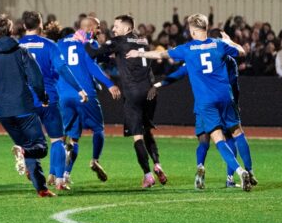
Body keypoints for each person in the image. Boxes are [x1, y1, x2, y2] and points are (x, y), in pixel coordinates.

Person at [132, 13, 256, 191]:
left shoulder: (188, 49)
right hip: (225, 97)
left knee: (217, 139)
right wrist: (230, 41)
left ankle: (238, 171)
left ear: (192, 31)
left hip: (206, 101)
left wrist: (138, 53)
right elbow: (243, 52)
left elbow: (163, 54)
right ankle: (249, 171)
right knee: (236, 132)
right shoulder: (220, 44)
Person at [0, 15, 58, 197]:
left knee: (26, 145)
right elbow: (36, 78)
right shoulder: (21, 52)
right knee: (40, 147)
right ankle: (24, 155)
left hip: (3, 112)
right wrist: (43, 97)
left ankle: (41, 188)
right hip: (23, 108)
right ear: (11, 31)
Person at [157, 28, 251, 189]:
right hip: (224, 102)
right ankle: (235, 176)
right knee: (230, 138)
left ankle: (200, 165)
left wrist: (160, 83)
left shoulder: (195, 56)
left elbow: (180, 72)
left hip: (203, 104)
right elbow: (235, 85)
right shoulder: (229, 61)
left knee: (204, 142)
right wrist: (235, 103)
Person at [85, 14, 168, 189]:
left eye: (116, 26)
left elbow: (92, 52)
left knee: (137, 136)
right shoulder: (143, 41)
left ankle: (147, 175)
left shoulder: (120, 41)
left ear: (127, 28)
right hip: (150, 92)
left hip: (133, 93)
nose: (113, 29)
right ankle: (157, 164)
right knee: (147, 131)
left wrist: (86, 38)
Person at [16, 11, 84, 188]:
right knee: (57, 139)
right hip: (48, 99)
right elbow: (61, 68)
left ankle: (30, 164)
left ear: (24, 26)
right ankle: (59, 179)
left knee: (31, 141)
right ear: (40, 24)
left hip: (25, 100)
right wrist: (79, 88)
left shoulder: (15, 46)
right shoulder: (49, 45)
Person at [60, 17, 121, 185]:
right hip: (85, 94)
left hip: (64, 94)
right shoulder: (89, 44)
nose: (100, 30)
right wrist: (109, 84)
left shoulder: (61, 43)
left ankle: (64, 175)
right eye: (98, 27)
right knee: (98, 129)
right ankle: (95, 160)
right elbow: (92, 67)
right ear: (90, 28)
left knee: (73, 137)